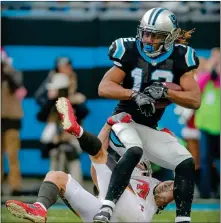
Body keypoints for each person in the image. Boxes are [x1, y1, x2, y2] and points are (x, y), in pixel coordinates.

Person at [93, 7, 201, 223]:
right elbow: (104, 87)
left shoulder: (181, 57)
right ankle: (106, 207)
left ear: (169, 37)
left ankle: (183, 220)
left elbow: (195, 99)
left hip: (149, 128)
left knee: (186, 162)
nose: (148, 39)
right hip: (124, 121)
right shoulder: (130, 50)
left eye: (155, 35)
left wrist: (166, 92)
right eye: (145, 33)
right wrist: (134, 95)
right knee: (134, 150)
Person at [6, 98, 174, 223]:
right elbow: (97, 158)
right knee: (56, 176)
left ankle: (76, 130)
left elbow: (174, 188)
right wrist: (108, 125)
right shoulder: (113, 177)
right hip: (103, 213)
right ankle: (40, 208)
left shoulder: (152, 184)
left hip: (135, 215)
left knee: (101, 157)